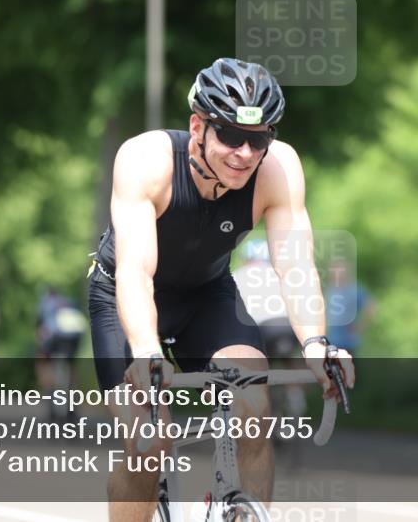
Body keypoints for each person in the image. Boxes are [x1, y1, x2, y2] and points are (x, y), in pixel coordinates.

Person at [88, 58, 355, 521]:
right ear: (198, 126)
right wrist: (147, 352)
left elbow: (294, 264)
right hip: (125, 296)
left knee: (254, 405)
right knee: (149, 442)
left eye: (258, 140)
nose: (245, 154)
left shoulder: (280, 169)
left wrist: (315, 343)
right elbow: (135, 271)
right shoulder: (145, 161)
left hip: (206, 296)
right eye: (230, 135)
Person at [36, 287, 88, 420]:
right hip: (74, 337)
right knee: (71, 368)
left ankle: (51, 401)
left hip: (54, 339)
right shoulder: (69, 303)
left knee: (44, 364)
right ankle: (72, 407)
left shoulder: (45, 303)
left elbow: (40, 327)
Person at [324, 257, 376, 355]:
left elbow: (371, 307)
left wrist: (360, 327)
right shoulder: (330, 290)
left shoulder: (354, 289)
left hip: (348, 341)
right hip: (330, 341)